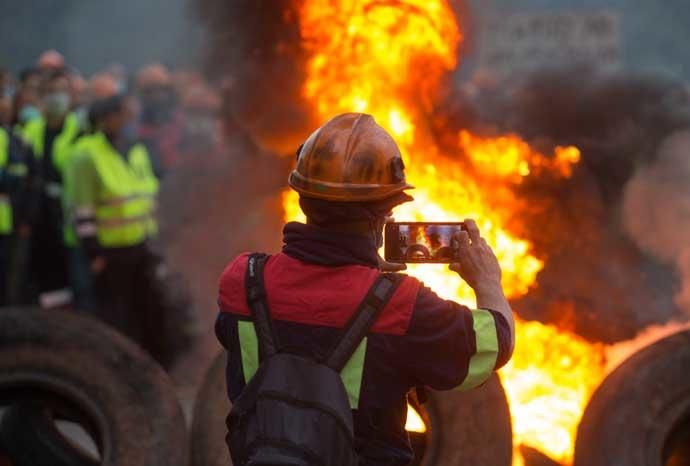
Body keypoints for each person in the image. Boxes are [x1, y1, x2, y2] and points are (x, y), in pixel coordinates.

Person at [215, 113, 515, 466]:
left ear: (303, 199)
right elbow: (495, 344)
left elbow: (297, 325)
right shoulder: (402, 306)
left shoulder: (242, 281)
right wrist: (487, 280)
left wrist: (362, 274)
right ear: (380, 216)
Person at [63, 83, 179, 366]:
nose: (129, 121)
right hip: (110, 251)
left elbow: (148, 194)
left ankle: (155, 365)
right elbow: (82, 210)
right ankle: (118, 368)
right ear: (105, 119)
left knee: (150, 308)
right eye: (123, 115)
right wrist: (94, 254)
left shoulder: (137, 150)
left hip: (142, 245)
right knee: (116, 314)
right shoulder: (85, 154)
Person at [22, 69, 83, 308]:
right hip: (36, 215)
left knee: (69, 276)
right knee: (39, 276)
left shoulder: (79, 130)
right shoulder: (29, 130)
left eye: (61, 91)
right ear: (41, 97)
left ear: (70, 95)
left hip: (67, 216)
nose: (56, 97)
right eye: (50, 92)